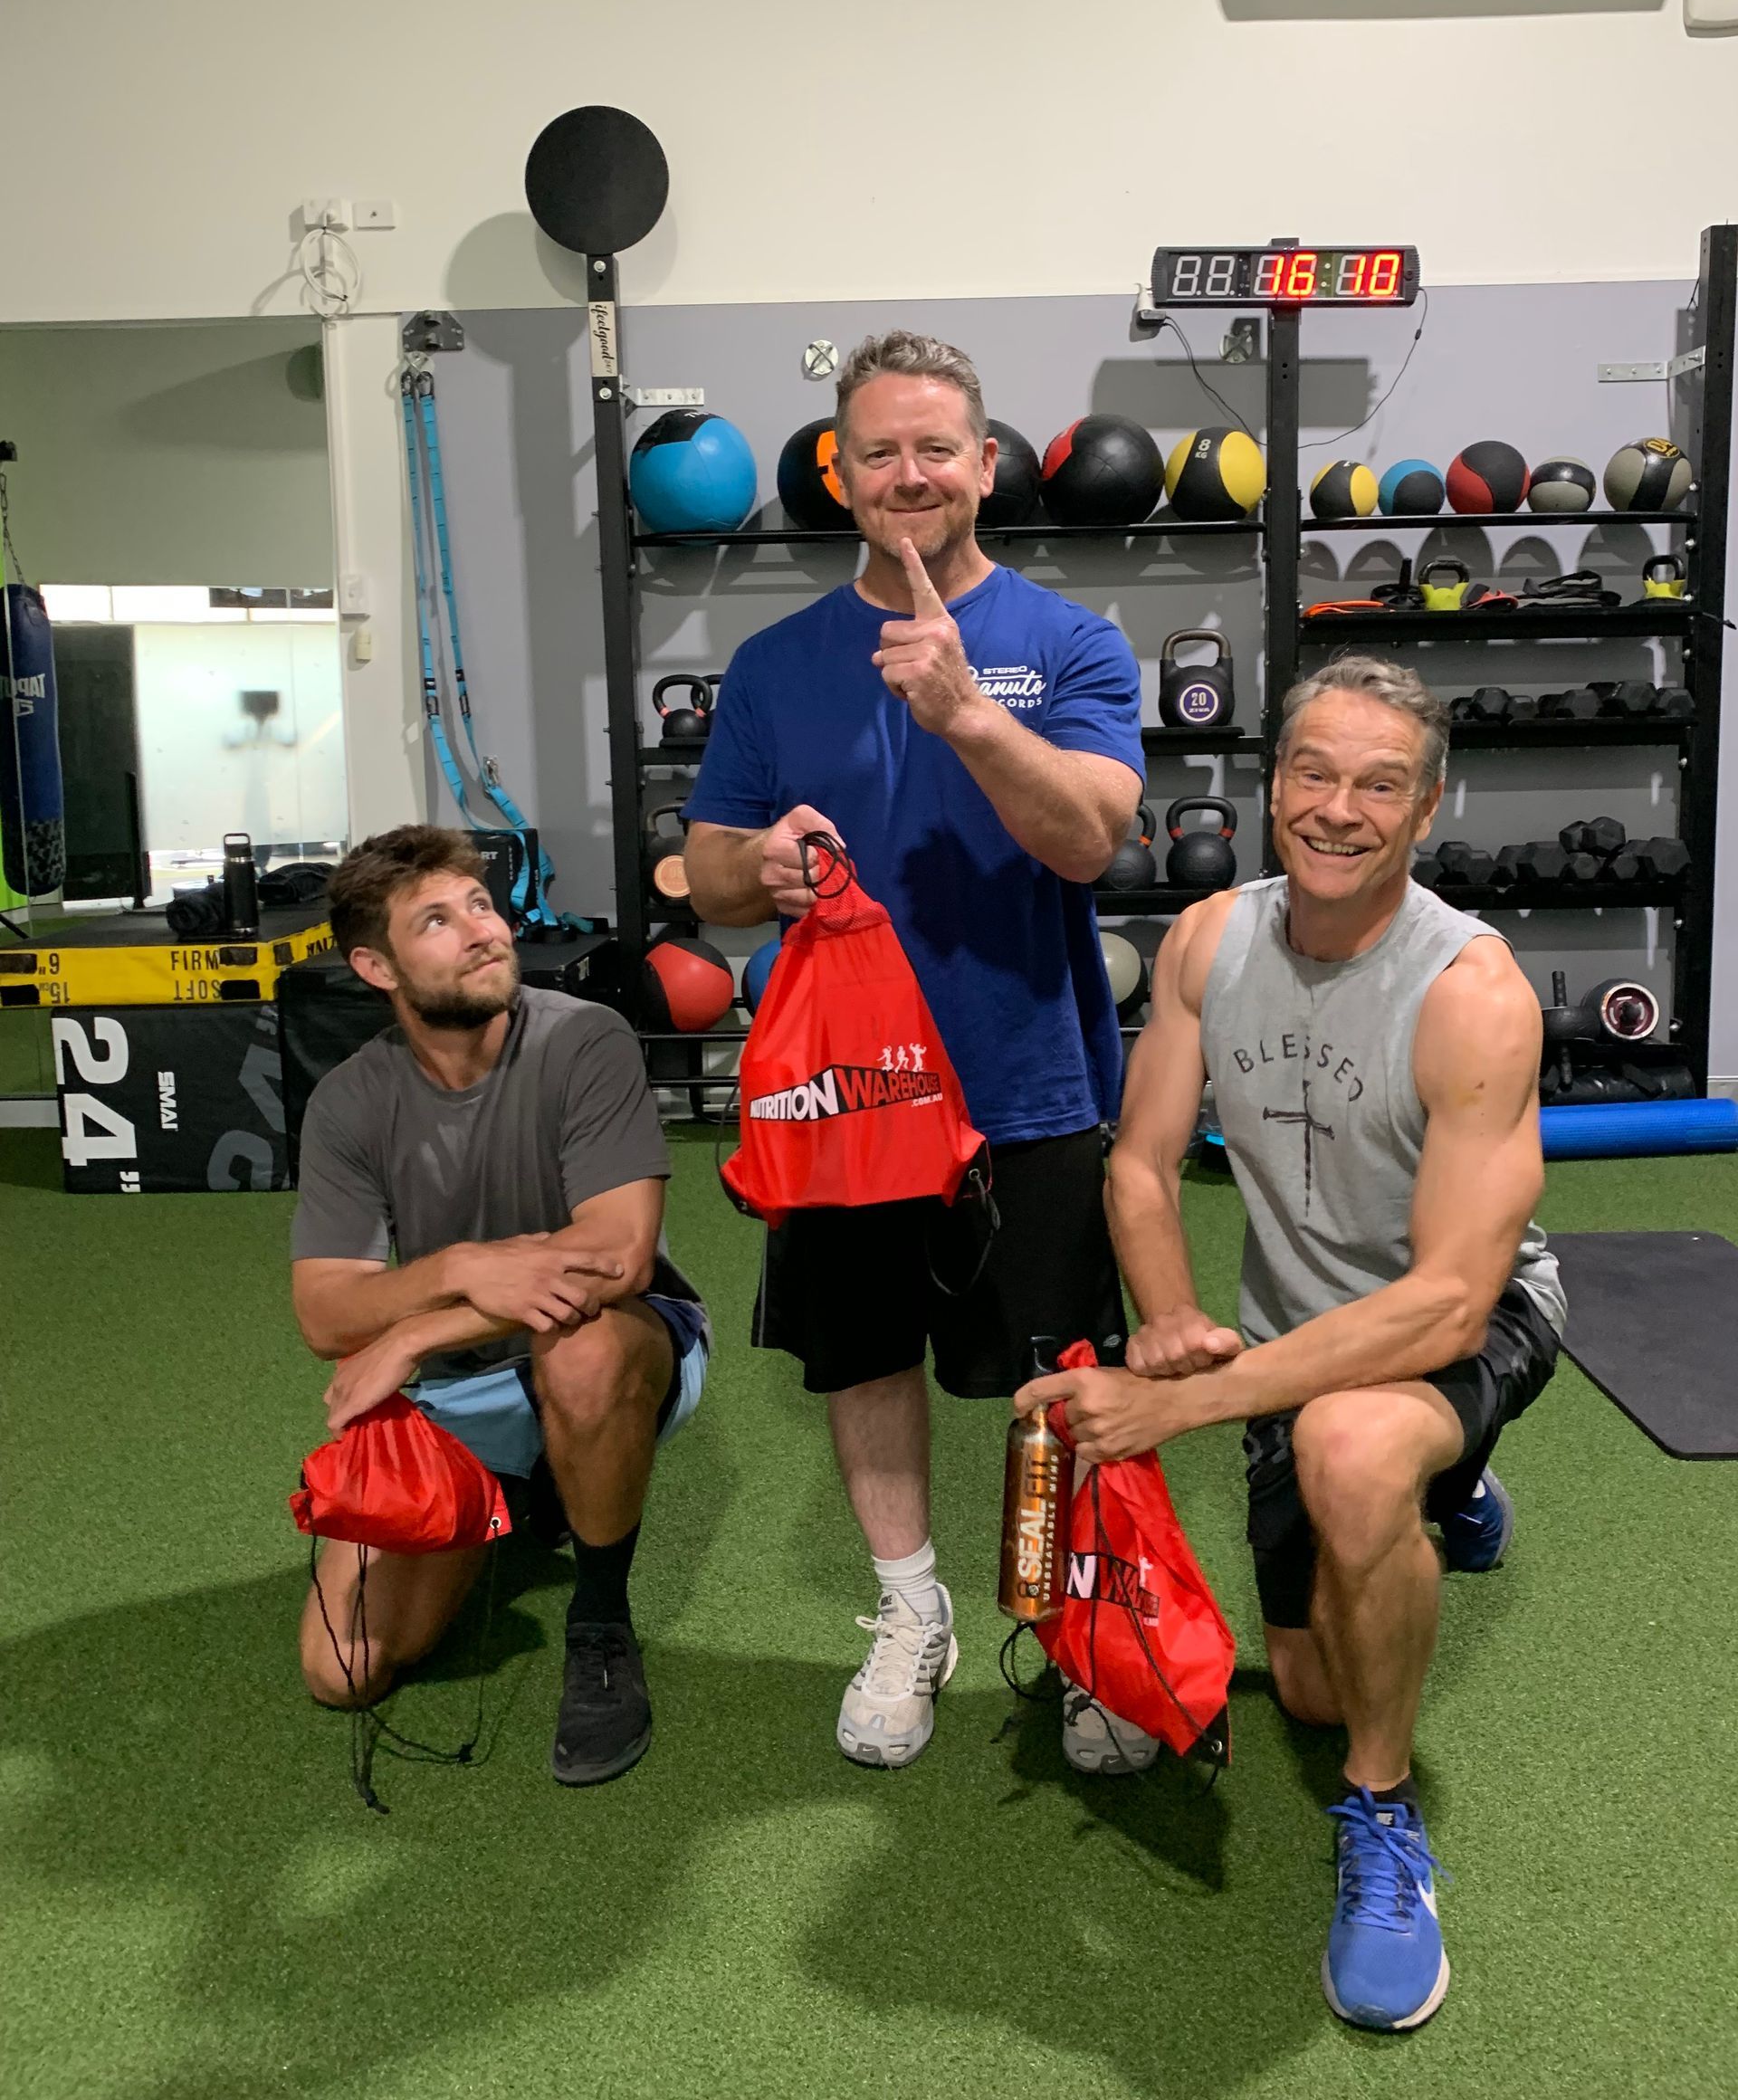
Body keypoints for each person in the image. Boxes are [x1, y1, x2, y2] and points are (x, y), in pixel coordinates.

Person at [1017, 655, 1562, 2031]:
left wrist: (1191, 1407)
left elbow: (1445, 1304)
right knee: (1308, 1688)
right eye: (1312, 774)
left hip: (1470, 1315)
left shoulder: (1472, 995)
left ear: (1428, 809)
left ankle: (1381, 1825)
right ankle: (1453, 1501)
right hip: (1292, 1331)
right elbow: (1138, 1168)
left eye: (1380, 784)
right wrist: (1173, 1319)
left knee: (1355, 1445)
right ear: (1271, 790)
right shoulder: (1210, 942)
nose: (1338, 809)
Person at [683, 330, 1146, 1770]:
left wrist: (960, 712)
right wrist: (760, 863)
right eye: (878, 450)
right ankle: (907, 1614)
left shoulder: (1071, 644)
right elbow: (704, 881)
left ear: (985, 465)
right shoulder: (772, 666)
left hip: (1027, 1084)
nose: (908, 474)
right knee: (863, 1360)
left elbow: (1087, 840)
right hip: (843, 1099)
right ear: (842, 470)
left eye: (935, 447)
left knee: (1055, 1380)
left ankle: (1073, 1626)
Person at [290, 825, 709, 1786]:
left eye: (480, 904)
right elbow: (325, 1312)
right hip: (462, 1389)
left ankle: (600, 1622)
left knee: (581, 1352)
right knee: (343, 1670)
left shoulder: (583, 1038)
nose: (482, 930)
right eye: (437, 919)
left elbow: (616, 1256)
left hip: (622, 1337)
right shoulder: (350, 1103)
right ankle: (523, 1494)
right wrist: (462, 1269)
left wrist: (422, 1330)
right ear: (375, 965)